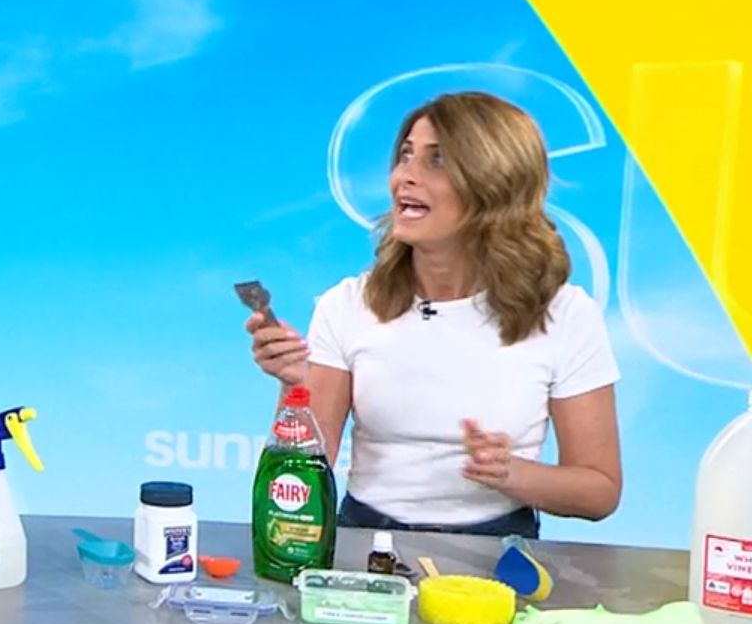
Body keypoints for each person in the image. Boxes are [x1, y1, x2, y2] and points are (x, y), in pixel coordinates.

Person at [245, 91, 622, 538]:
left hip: (497, 551)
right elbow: (304, 477)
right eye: (405, 155)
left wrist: (513, 474)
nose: (405, 176)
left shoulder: (564, 314)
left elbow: (599, 491)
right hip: (365, 543)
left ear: (494, 185)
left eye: (436, 160)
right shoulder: (346, 305)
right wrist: (296, 385)